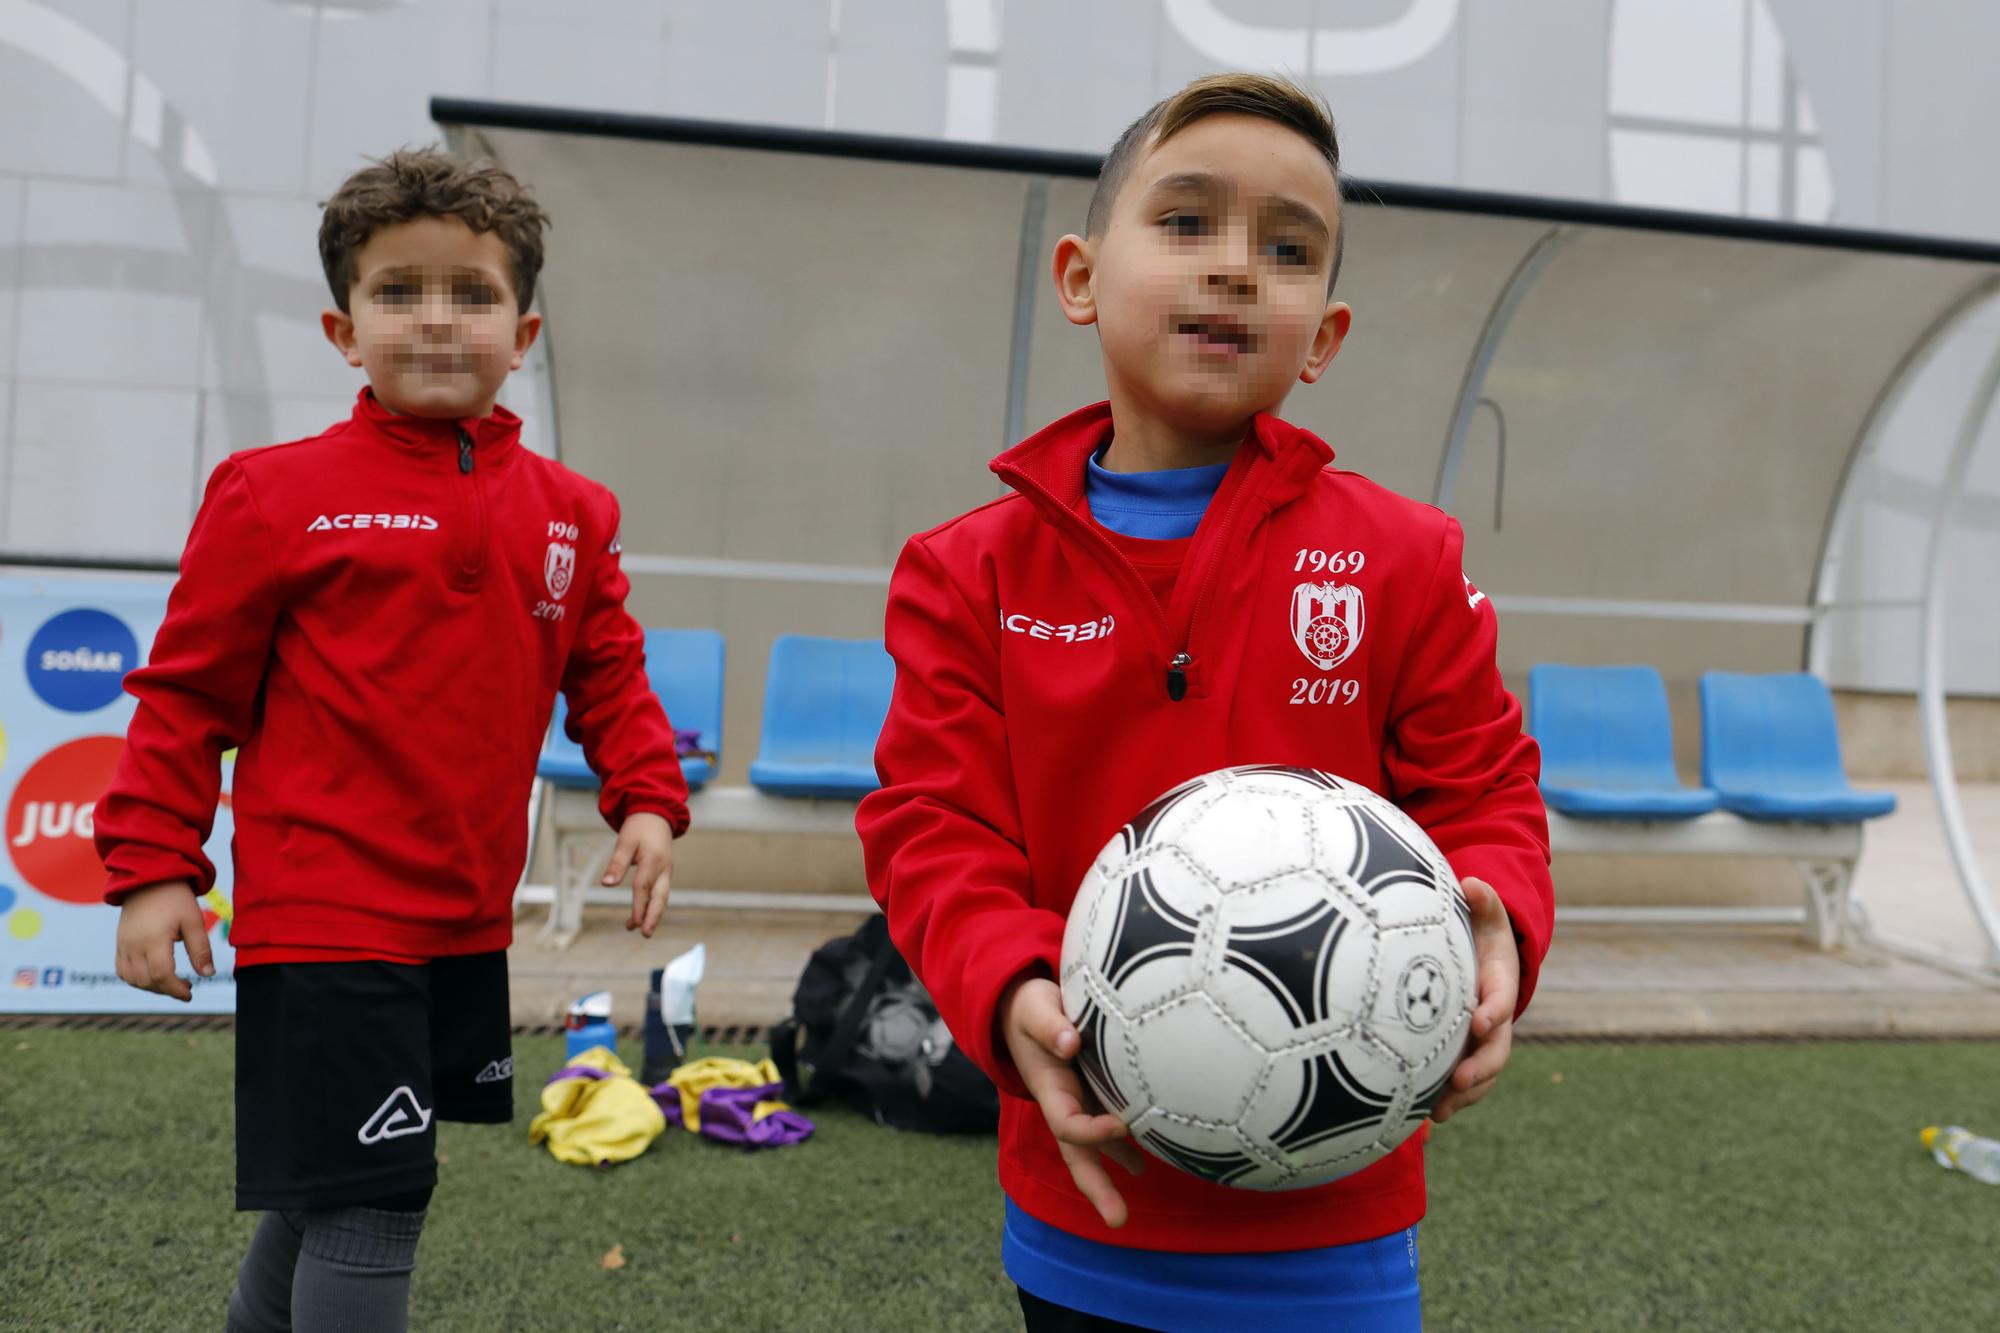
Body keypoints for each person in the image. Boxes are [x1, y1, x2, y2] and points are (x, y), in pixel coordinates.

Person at [856, 73, 1553, 1332]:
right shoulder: (966, 571)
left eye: (1285, 249)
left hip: (1334, 1218)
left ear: (1324, 336)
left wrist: (1502, 924)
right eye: (1184, 224)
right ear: (1078, 276)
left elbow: (1485, 791)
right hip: (1087, 1197)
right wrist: (1011, 985)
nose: (1234, 271)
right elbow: (929, 828)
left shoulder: (1402, 558)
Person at [94, 148, 689, 1332]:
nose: (435, 320)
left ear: (522, 331)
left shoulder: (574, 511)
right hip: (324, 915)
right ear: (341, 327)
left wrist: (646, 797)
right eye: (396, 291)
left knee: (327, 1194)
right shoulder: (273, 494)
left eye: (469, 294)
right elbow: (185, 697)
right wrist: (154, 869)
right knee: (378, 1200)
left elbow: (605, 668)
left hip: (462, 915)